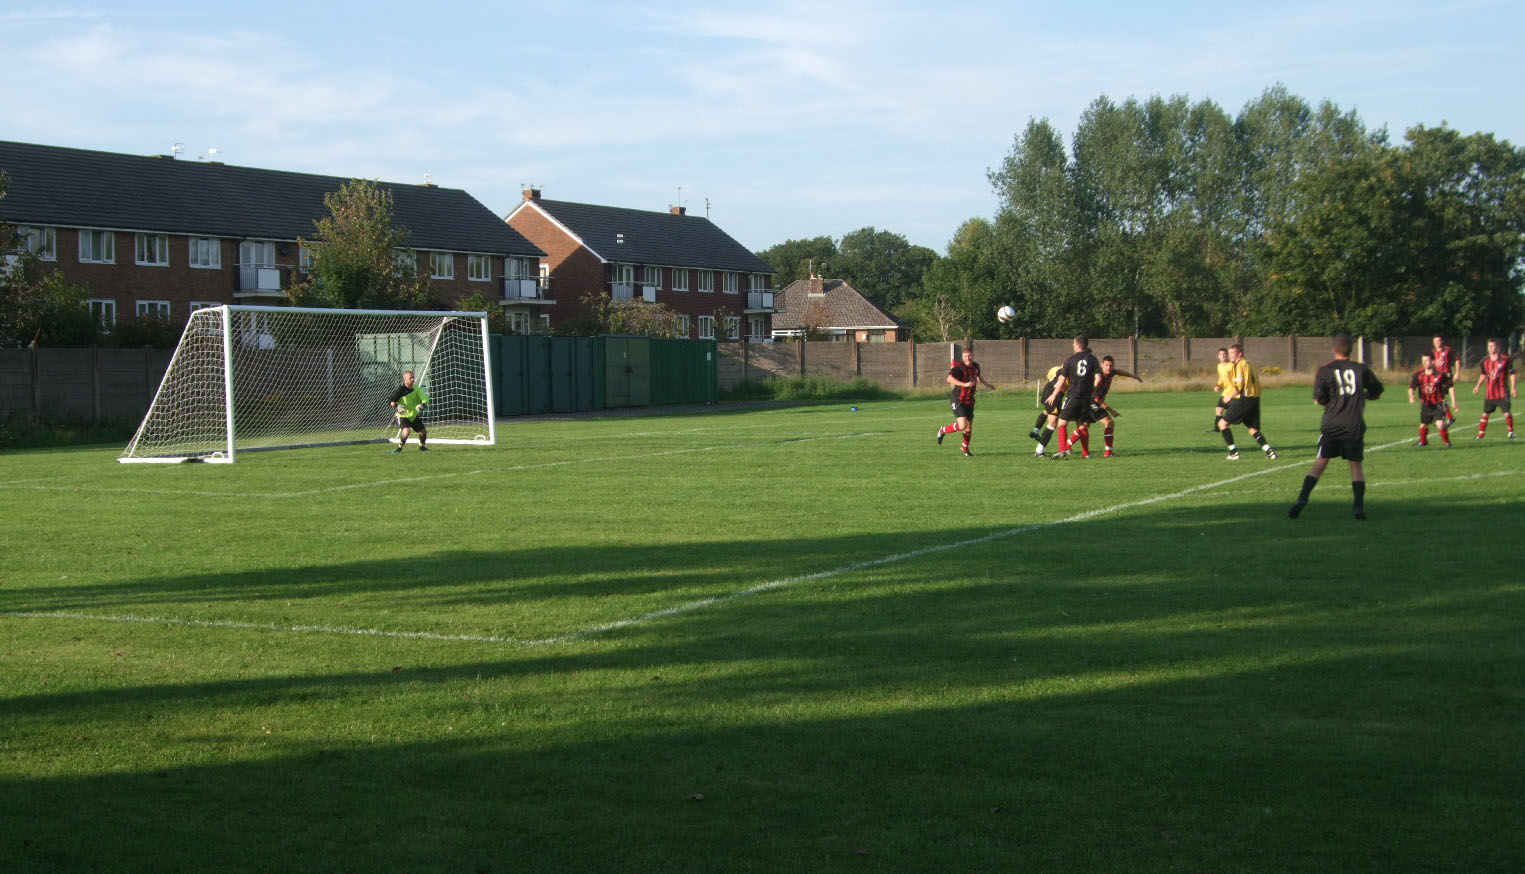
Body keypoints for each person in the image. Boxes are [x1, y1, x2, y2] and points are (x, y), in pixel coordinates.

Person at [1289, 334, 1384, 520]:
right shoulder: (1361, 369)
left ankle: (1302, 498)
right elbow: (1377, 390)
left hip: (1331, 424)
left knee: (1320, 463)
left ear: (1334, 351)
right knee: (1356, 466)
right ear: (1351, 351)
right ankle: (1358, 508)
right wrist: (1365, 396)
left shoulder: (1324, 370)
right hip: (1353, 424)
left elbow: (1319, 397)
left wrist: (1330, 401)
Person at [1035, 335, 1100, 460]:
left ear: (1077, 344)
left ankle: (1061, 450)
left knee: (1062, 423)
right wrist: (1093, 391)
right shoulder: (1093, 359)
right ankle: (1086, 454)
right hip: (1086, 398)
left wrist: (1054, 395)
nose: (1073, 345)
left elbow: (1061, 380)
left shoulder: (1069, 360)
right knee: (1081, 425)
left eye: (1074, 344)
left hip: (1073, 396)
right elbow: (1098, 378)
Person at [1070, 355, 1141, 458]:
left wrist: (1133, 376)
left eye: (1111, 365)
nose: (1109, 368)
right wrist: (1112, 411)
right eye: (1106, 365)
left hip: (1090, 402)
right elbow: (1097, 399)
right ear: (1102, 365)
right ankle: (1108, 453)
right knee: (1109, 422)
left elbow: (1119, 371)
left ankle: (1067, 447)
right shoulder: (1098, 377)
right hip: (1091, 403)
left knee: (1085, 426)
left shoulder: (1111, 372)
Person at [1217, 343, 1277, 460]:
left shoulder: (1240, 365)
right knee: (1253, 429)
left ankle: (1234, 453)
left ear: (1240, 354)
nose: (1230, 356)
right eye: (1229, 353)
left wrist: (1229, 397)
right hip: (1254, 399)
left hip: (1244, 399)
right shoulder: (1249, 363)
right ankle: (1269, 451)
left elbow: (1240, 385)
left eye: (1232, 353)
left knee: (1222, 424)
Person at [936, 344, 996, 456]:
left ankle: (965, 448)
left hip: (970, 400)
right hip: (958, 399)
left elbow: (978, 377)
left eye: (969, 356)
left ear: (972, 356)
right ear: (962, 358)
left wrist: (988, 385)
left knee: (968, 428)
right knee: (962, 426)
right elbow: (949, 379)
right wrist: (965, 384)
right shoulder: (959, 368)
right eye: (965, 356)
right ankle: (943, 430)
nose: (967, 358)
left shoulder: (976, 366)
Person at [1471, 338, 1517, 439]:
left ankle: (1510, 432)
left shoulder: (1505, 359)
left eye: (1493, 346)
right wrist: (1477, 386)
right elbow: (1483, 374)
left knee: (1507, 413)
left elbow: (1512, 373)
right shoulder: (1485, 362)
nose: (1491, 348)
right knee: (1485, 414)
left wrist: (1513, 387)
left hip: (1502, 392)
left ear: (1498, 347)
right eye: (1489, 346)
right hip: (1489, 394)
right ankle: (1481, 434)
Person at [1408, 353, 1452, 447]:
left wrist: (1453, 400)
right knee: (1423, 425)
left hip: (1438, 403)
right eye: (1423, 361)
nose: (1424, 363)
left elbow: (1450, 386)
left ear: (1432, 361)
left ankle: (1447, 442)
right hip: (1426, 404)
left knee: (1440, 424)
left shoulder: (1440, 374)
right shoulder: (1418, 375)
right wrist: (1411, 396)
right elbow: (1412, 387)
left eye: (1427, 360)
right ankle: (1423, 442)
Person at [1028, 362, 1065, 458]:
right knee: (1052, 423)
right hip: (1054, 395)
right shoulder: (1067, 372)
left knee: (1047, 412)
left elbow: (1049, 378)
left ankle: (1035, 431)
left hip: (1048, 391)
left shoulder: (1055, 369)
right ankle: (1039, 451)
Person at [388, 370, 429, 452]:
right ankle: (399, 448)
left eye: (413, 377)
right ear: (405, 379)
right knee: (407, 431)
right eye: (411, 378)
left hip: (413, 415)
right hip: (403, 416)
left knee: (423, 431)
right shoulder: (400, 390)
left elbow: (425, 399)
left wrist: (422, 405)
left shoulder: (417, 389)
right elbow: (390, 401)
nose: (413, 379)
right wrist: (397, 406)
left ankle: (422, 447)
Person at [1431, 335, 1461, 425]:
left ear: (1442, 341)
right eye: (1436, 341)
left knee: (1440, 397)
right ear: (1433, 342)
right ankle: (1449, 416)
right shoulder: (1433, 352)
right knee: (1438, 398)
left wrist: (1457, 372)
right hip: (1436, 377)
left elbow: (1457, 359)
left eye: (1439, 340)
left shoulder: (1448, 350)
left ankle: (1450, 409)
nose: (1437, 342)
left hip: (1446, 375)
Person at [1211, 347, 1233, 431]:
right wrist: (1218, 385)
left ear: (1227, 355)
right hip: (1225, 393)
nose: (1223, 356)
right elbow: (1222, 378)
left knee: (1236, 414)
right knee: (1218, 410)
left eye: (1224, 354)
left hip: (1233, 394)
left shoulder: (1231, 365)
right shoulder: (1219, 366)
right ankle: (1217, 429)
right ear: (1218, 356)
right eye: (1221, 354)